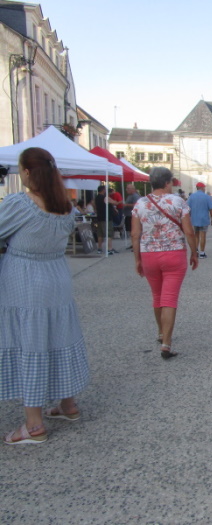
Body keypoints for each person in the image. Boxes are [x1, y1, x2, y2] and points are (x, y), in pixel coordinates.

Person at [0, 147, 89, 445]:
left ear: (27, 172)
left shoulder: (20, 204)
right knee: (58, 336)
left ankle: (34, 424)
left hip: (25, 281)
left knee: (30, 344)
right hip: (56, 277)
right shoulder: (66, 206)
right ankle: (68, 404)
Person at [131, 167, 199, 359]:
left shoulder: (140, 203)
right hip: (174, 253)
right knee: (169, 297)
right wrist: (194, 252)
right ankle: (167, 344)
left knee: (157, 295)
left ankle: (161, 333)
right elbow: (189, 231)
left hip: (149, 254)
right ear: (167, 182)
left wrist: (137, 258)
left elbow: (135, 234)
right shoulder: (178, 202)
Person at [187, 182, 212, 258]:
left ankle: (196, 250)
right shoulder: (207, 197)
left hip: (194, 219)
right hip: (203, 219)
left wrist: (189, 218)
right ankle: (202, 253)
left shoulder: (192, 196)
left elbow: (187, 208)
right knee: (203, 235)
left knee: (196, 235)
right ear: (203, 188)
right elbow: (211, 209)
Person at [95, 185, 119, 255]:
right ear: (103, 190)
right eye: (105, 190)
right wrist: (119, 201)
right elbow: (115, 202)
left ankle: (99, 248)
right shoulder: (105, 198)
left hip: (99, 217)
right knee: (109, 234)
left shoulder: (96, 198)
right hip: (106, 218)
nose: (106, 191)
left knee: (100, 234)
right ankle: (109, 248)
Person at [123, 183, 141, 250]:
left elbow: (136, 204)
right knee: (130, 231)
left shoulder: (135, 196)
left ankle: (136, 245)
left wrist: (126, 205)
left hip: (132, 216)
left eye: (128, 188)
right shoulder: (129, 196)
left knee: (133, 231)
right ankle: (133, 244)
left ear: (132, 189)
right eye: (126, 188)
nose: (126, 190)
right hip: (128, 215)